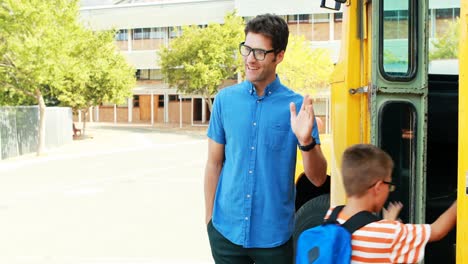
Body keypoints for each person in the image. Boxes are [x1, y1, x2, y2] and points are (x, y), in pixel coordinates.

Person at [204, 14, 327, 264]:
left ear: (278, 56)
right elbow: (214, 163)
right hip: (225, 234)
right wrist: (209, 221)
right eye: (247, 49)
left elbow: (318, 178)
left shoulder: (297, 108)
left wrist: (306, 141)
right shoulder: (225, 100)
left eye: (259, 52)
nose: (250, 59)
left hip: (274, 239)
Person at [324, 144, 457, 263]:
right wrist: (462, 197)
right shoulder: (390, 234)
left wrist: (387, 224)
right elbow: (437, 230)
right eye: (389, 185)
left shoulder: (332, 215)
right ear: (378, 187)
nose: (390, 190)